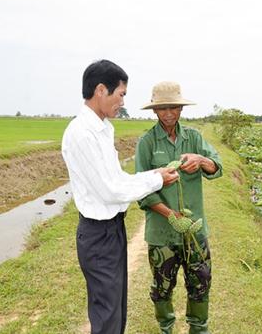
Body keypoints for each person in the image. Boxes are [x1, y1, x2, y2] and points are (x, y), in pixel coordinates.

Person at [61, 60, 179, 334]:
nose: (122, 102)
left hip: (112, 229)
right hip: (98, 234)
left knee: (116, 307)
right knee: (107, 313)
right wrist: (157, 179)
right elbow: (111, 190)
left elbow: (118, 180)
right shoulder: (82, 134)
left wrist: (155, 174)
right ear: (101, 90)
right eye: (121, 94)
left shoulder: (103, 130)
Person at [135, 81, 223, 334]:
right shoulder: (147, 142)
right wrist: (170, 214)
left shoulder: (194, 138)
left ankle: (198, 329)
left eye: (173, 107)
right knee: (162, 286)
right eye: (163, 108)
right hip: (162, 234)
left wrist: (201, 160)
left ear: (181, 108)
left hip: (195, 232)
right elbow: (142, 190)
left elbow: (217, 168)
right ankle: (166, 328)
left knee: (201, 283)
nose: (169, 113)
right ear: (155, 111)